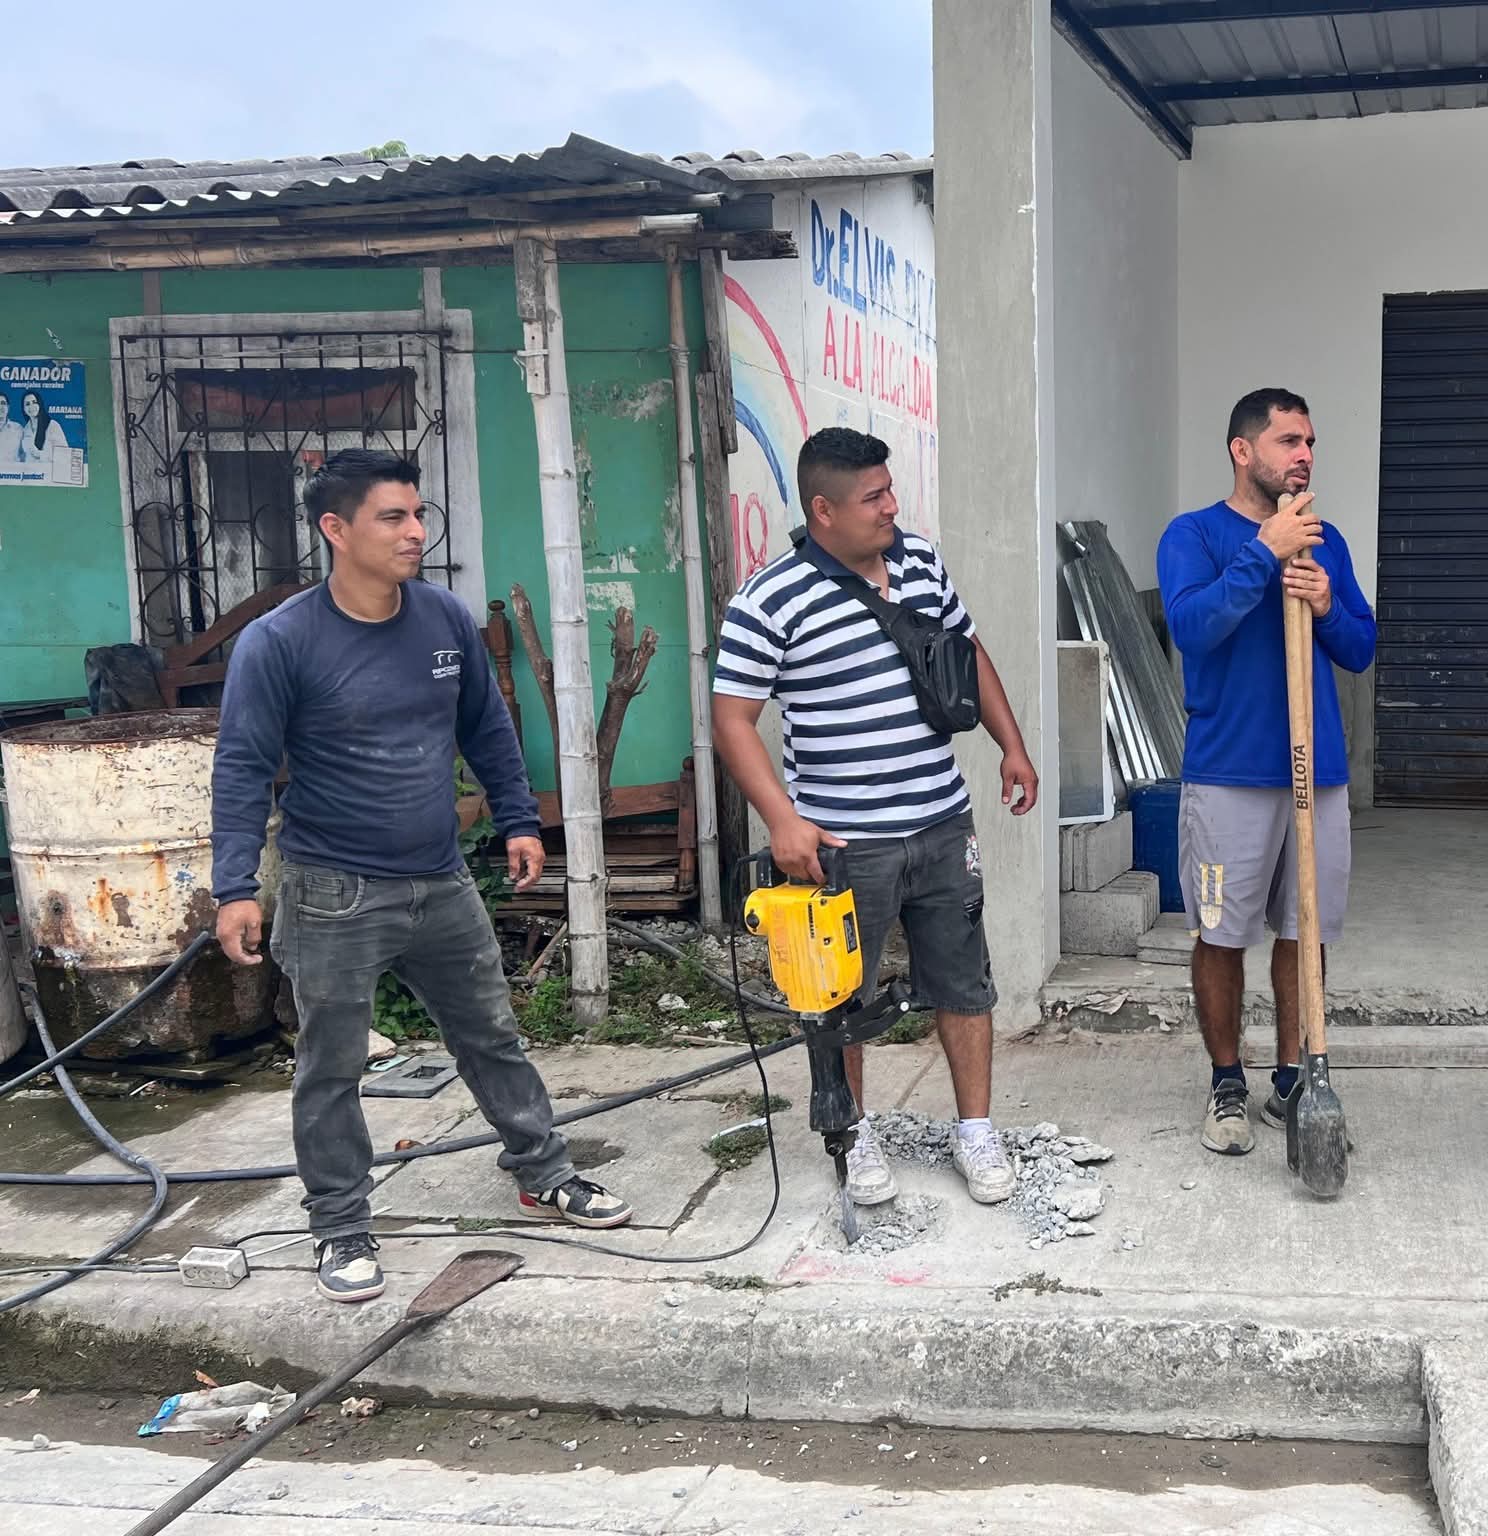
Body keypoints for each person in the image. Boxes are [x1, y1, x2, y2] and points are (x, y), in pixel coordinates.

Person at [211, 449, 630, 1305]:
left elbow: (486, 726)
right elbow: (242, 767)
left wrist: (518, 818)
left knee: (491, 1036)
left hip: (440, 881)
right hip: (333, 891)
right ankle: (339, 1223)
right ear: (336, 529)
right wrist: (234, 887)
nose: (415, 532)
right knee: (331, 1066)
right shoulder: (280, 642)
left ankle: (544, 1172)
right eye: (393, 517)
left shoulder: (441, 619)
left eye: (418, 514)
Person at [710, 427, 1038, 1208]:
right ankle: (855, 1135)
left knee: (965, 984)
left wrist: (1012, 746)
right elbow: (731, 719)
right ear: (823, 510)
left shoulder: (919, 562)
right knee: (839, 999)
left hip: (942, 824)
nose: (891, 507)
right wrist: (782, 820)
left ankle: (976, 1131)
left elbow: (967, 650)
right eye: (873, 498)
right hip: (843, 843)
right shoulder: (768, 600)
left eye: (890, 491)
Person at [1157, 388, 1376, 1156]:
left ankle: (1293, 1076)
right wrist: (1263, 552)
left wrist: (1327, 604)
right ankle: (1226, 1081)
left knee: (1304, 929)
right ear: (1242, 450)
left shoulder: (1327, 540)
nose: (1305, 454)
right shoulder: (1194, 534)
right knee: (1222, 934)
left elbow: (1360, 648)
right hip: (1229, 773)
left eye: (1310, 441)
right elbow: (1192, 627)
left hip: (1318, 773)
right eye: (1288, 441)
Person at [13, 389, 69, 471]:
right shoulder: (25, 430)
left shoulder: (52, 425)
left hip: (48, 474)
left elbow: (65, 455)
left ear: (39, 404)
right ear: (24, 409)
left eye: (34, 402)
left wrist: (40, 454)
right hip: (30, 475)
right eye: (27, 404)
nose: (31, 406)